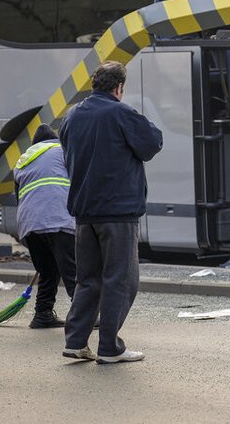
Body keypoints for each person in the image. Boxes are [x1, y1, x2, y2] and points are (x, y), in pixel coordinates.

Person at [59, 61, 163, 364]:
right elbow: (151, 143)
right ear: (119, 88)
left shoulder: (72, 115)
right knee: (121, 279)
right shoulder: (120, 112)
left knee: (88, 279)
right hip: (117, 211)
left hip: (83, 212)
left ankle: (76, 341)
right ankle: (109, 347)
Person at [12, 124, 76, 329]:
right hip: (57, 218)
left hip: (29, 223)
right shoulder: (62, 150)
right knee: (73, 270)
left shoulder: (22, 161)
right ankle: (86, 316)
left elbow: (18, 196)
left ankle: (42, 314)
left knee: (47, 270)